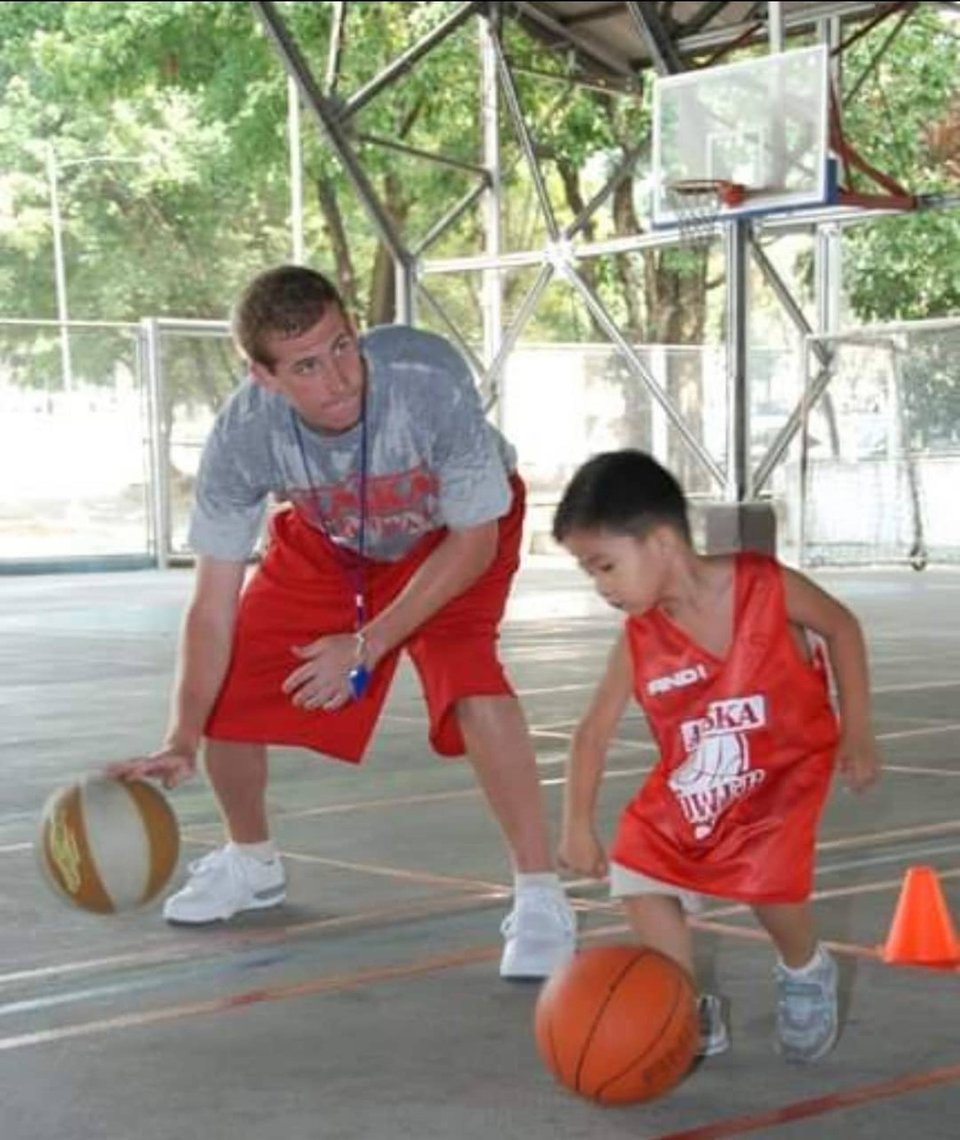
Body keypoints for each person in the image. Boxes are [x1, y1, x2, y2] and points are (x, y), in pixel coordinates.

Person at [111, 264, 575, 981]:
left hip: (454, 530)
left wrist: (368, 642)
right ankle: (252, 861)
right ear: (265, 377)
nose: (338, 377)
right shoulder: (244, 437)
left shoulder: (424, 384)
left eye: (342, 346)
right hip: (334, 536)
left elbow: (474, 541)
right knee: (231, 686)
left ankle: (540, 893)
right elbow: (211, 607)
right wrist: (180, 735)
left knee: (468, 677)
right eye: (306, 365)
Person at [551, 449, 881, 1061]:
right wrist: (576, 825)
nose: (600, 587)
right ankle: (681, 999)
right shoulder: (639, 639)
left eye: (604, 566)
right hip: (702, 778)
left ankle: (804, 967)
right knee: (637, 866)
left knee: (765, 884)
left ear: (661, 542)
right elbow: (591, 734)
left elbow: (841, 627)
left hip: (783, 771)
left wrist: (857, 729)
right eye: (589, 573)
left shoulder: (763, 585)